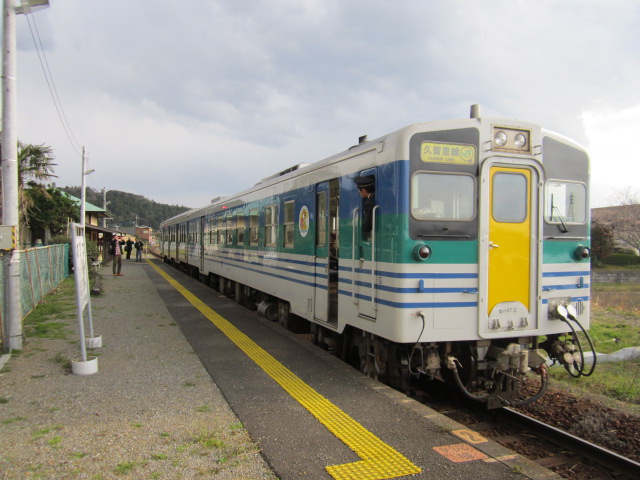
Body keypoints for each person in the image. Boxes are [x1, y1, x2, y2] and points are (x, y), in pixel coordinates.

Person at [354, 175, 376, 240]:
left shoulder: (369, 203)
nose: (359, 192)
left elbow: (367, 226)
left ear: (363, 190)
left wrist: (358, 227)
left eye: (359, 190)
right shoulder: (373, 197)